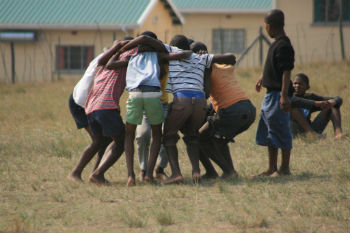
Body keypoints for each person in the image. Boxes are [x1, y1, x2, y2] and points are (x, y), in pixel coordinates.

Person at [115, 32, 193, 186]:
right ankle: (144, 170)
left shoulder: (160, 57)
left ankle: (159, 169)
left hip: (160, 102)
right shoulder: (152, 57)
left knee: (165, 135)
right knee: (143, 135)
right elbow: (184, 53)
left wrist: (119, 48)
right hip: (150, 99)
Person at [162, 35, 236, 184]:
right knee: (192, 137)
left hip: (183, 100)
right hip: (201, 102)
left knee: (169, 137)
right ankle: (196, 172)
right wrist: (208, 57)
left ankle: (176, 173)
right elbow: (231, 58)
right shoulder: (200, 58)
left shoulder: (171, 57)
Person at [190, 42, 256, 179]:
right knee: (219, 139)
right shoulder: (224, 66)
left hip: (231, 111)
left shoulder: (205, 70)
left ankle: (228, 171)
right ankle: (229, 172)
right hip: (249, 109)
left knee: (200, 138)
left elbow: (206, 94)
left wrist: (205, 69)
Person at [86, 38, 138, 185]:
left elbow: (102, 61)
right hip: (106, 107)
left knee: (106, 140)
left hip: (91, 108)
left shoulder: (107, 62)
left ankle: (95, 173)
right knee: (121, 141)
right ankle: (98, 174)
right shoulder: (128, 59)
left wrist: (116, 48)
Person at [255, 9, 295, 176]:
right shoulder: (276, 44)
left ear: (269, 26)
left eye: (265, 25)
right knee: (270, 132)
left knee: (281, 130)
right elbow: (275, 67)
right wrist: (262, 77)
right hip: (270, 94)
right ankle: (272, 168)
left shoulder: (285, 45)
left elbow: (286, 71)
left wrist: (284, 96)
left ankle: (284, 168)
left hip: (278, 95)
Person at [68, 48, 112, 182]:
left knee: (106, 138)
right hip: (81, 103)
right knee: (98, 140)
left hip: (88, 100)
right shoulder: (108, 59)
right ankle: (75, 173)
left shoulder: (107, 54)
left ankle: (96, 174)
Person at [290, 73, 343, 139]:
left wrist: (333, 102)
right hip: (294, 132)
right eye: (295, 83)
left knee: (332, 106)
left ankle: (338, 134)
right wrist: (315, 103)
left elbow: (338, 99)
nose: (297, 86)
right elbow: (295, 101)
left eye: (300, 84)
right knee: (293, 108)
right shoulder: (289, 98)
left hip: (310, 129)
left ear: (307, 87)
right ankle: (311, 134)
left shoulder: (310, 97)